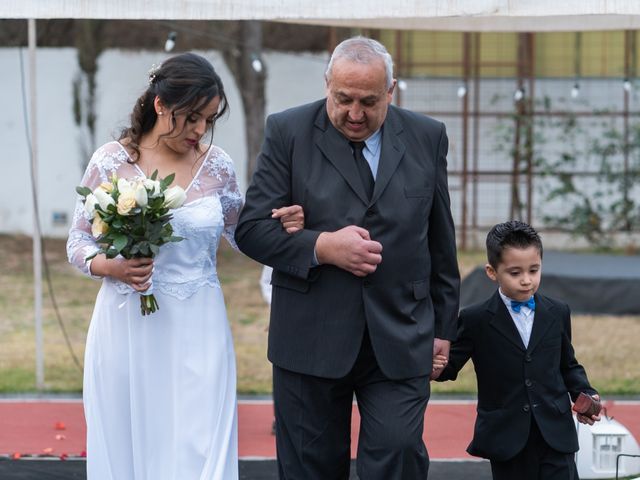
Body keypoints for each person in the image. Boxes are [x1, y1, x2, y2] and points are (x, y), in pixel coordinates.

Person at [67, 52, 303, 480]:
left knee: (201, 440)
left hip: (199, 322)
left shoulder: (218, 166)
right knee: (130, 437)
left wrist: (281, 226)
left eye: (208, 120)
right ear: (161, 105)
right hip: (128, 325)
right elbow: (77, 242)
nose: (199, 131)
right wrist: (113, 267)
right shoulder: (110, 161)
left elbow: (241, 233)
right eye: (192, 117)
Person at [235, 37, 460, 479]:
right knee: (309, 469)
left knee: (397, 454)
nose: (355, 114)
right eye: (343, 99)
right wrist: (322, 247)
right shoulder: (288, 132)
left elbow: (440, 240)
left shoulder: (427, 136)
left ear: (391, 91)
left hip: (402, 332)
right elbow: (251, 230)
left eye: (369, 102)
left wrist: (445, 326)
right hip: (309, 337)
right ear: (327, 85)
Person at [432, 220, 601, 480]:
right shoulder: (475, 319)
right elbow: (448, 366)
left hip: (555, 434)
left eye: (534, 270)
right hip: (507, 439)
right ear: (492, 272)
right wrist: (434, 366)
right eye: (515, 273)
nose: (526, 280)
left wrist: (585, 393)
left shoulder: (558, 312)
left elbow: (568, 365)